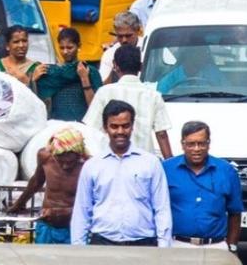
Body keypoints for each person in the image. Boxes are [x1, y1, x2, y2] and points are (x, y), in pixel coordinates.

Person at [72, 99, 173, 245]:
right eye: (114, 126)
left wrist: (163, 247)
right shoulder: (92, 166)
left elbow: (162, 208)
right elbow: (82, 211)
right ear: (106, 128)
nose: (120, 131)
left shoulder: (150, 163)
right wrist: (78, 248)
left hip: (143, 245)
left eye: (125, 126)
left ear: (132, 126)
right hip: (103, 245)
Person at [164, 121, 242, 250]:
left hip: (216, 246)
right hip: (177, 245)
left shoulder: (226, 170)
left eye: (201, 143)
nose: (196, 149)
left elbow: (235, 213)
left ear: (208, 143)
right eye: (191, 144)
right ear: (182, 144)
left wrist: (232, 247)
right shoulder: (166, 169)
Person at [84, 45, 173, 158]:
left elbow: (92, 130)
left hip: (111, 162)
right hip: (144, 163)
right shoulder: (153, 95)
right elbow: (161, 134)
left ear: (115, 65)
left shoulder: (104, 92)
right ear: (141, 67)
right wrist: (171, 165)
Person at [9, 128, 90, 244]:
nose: (65, 166)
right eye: (60, 161)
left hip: (73, 229)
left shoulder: (88, 166)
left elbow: (91, 206)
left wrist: (62, 212)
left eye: (70, 162)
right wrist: (19, 203)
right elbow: (37, 181)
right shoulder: (45, 156)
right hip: (47, 227)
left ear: (79, 155)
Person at [35, 28, 102, 120]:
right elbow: (36, 100)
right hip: (57, 125)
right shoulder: (53, 73)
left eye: (69, 47)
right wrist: (34, 79)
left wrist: (84, 79)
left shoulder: (91, 72)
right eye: (62, 48)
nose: (65, 52)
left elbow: (97, 107)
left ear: (79, 46)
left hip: (83, 125)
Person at [99, 10, 143, 83]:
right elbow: (103, 85)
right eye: (120, 36)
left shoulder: (149, 47)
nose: (124, 40)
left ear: (137, 30)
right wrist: (114, 69)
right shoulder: (110, 54)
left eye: (128, 36)